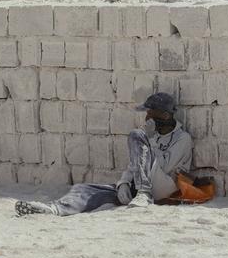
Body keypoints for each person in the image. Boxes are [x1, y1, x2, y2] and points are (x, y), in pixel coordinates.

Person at [15, 92, 192, 216]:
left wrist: (150, 139)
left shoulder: (182, 138)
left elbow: (164, 166)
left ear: (164, 116)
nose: (146, 118)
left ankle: (144, 194)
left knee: (137, 135)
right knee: (83, 189)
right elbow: (136, 162)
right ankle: (56, 209)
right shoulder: (149, 135)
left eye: (150, 114)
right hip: (140, 182)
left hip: (164, 187)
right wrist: (123, 183)